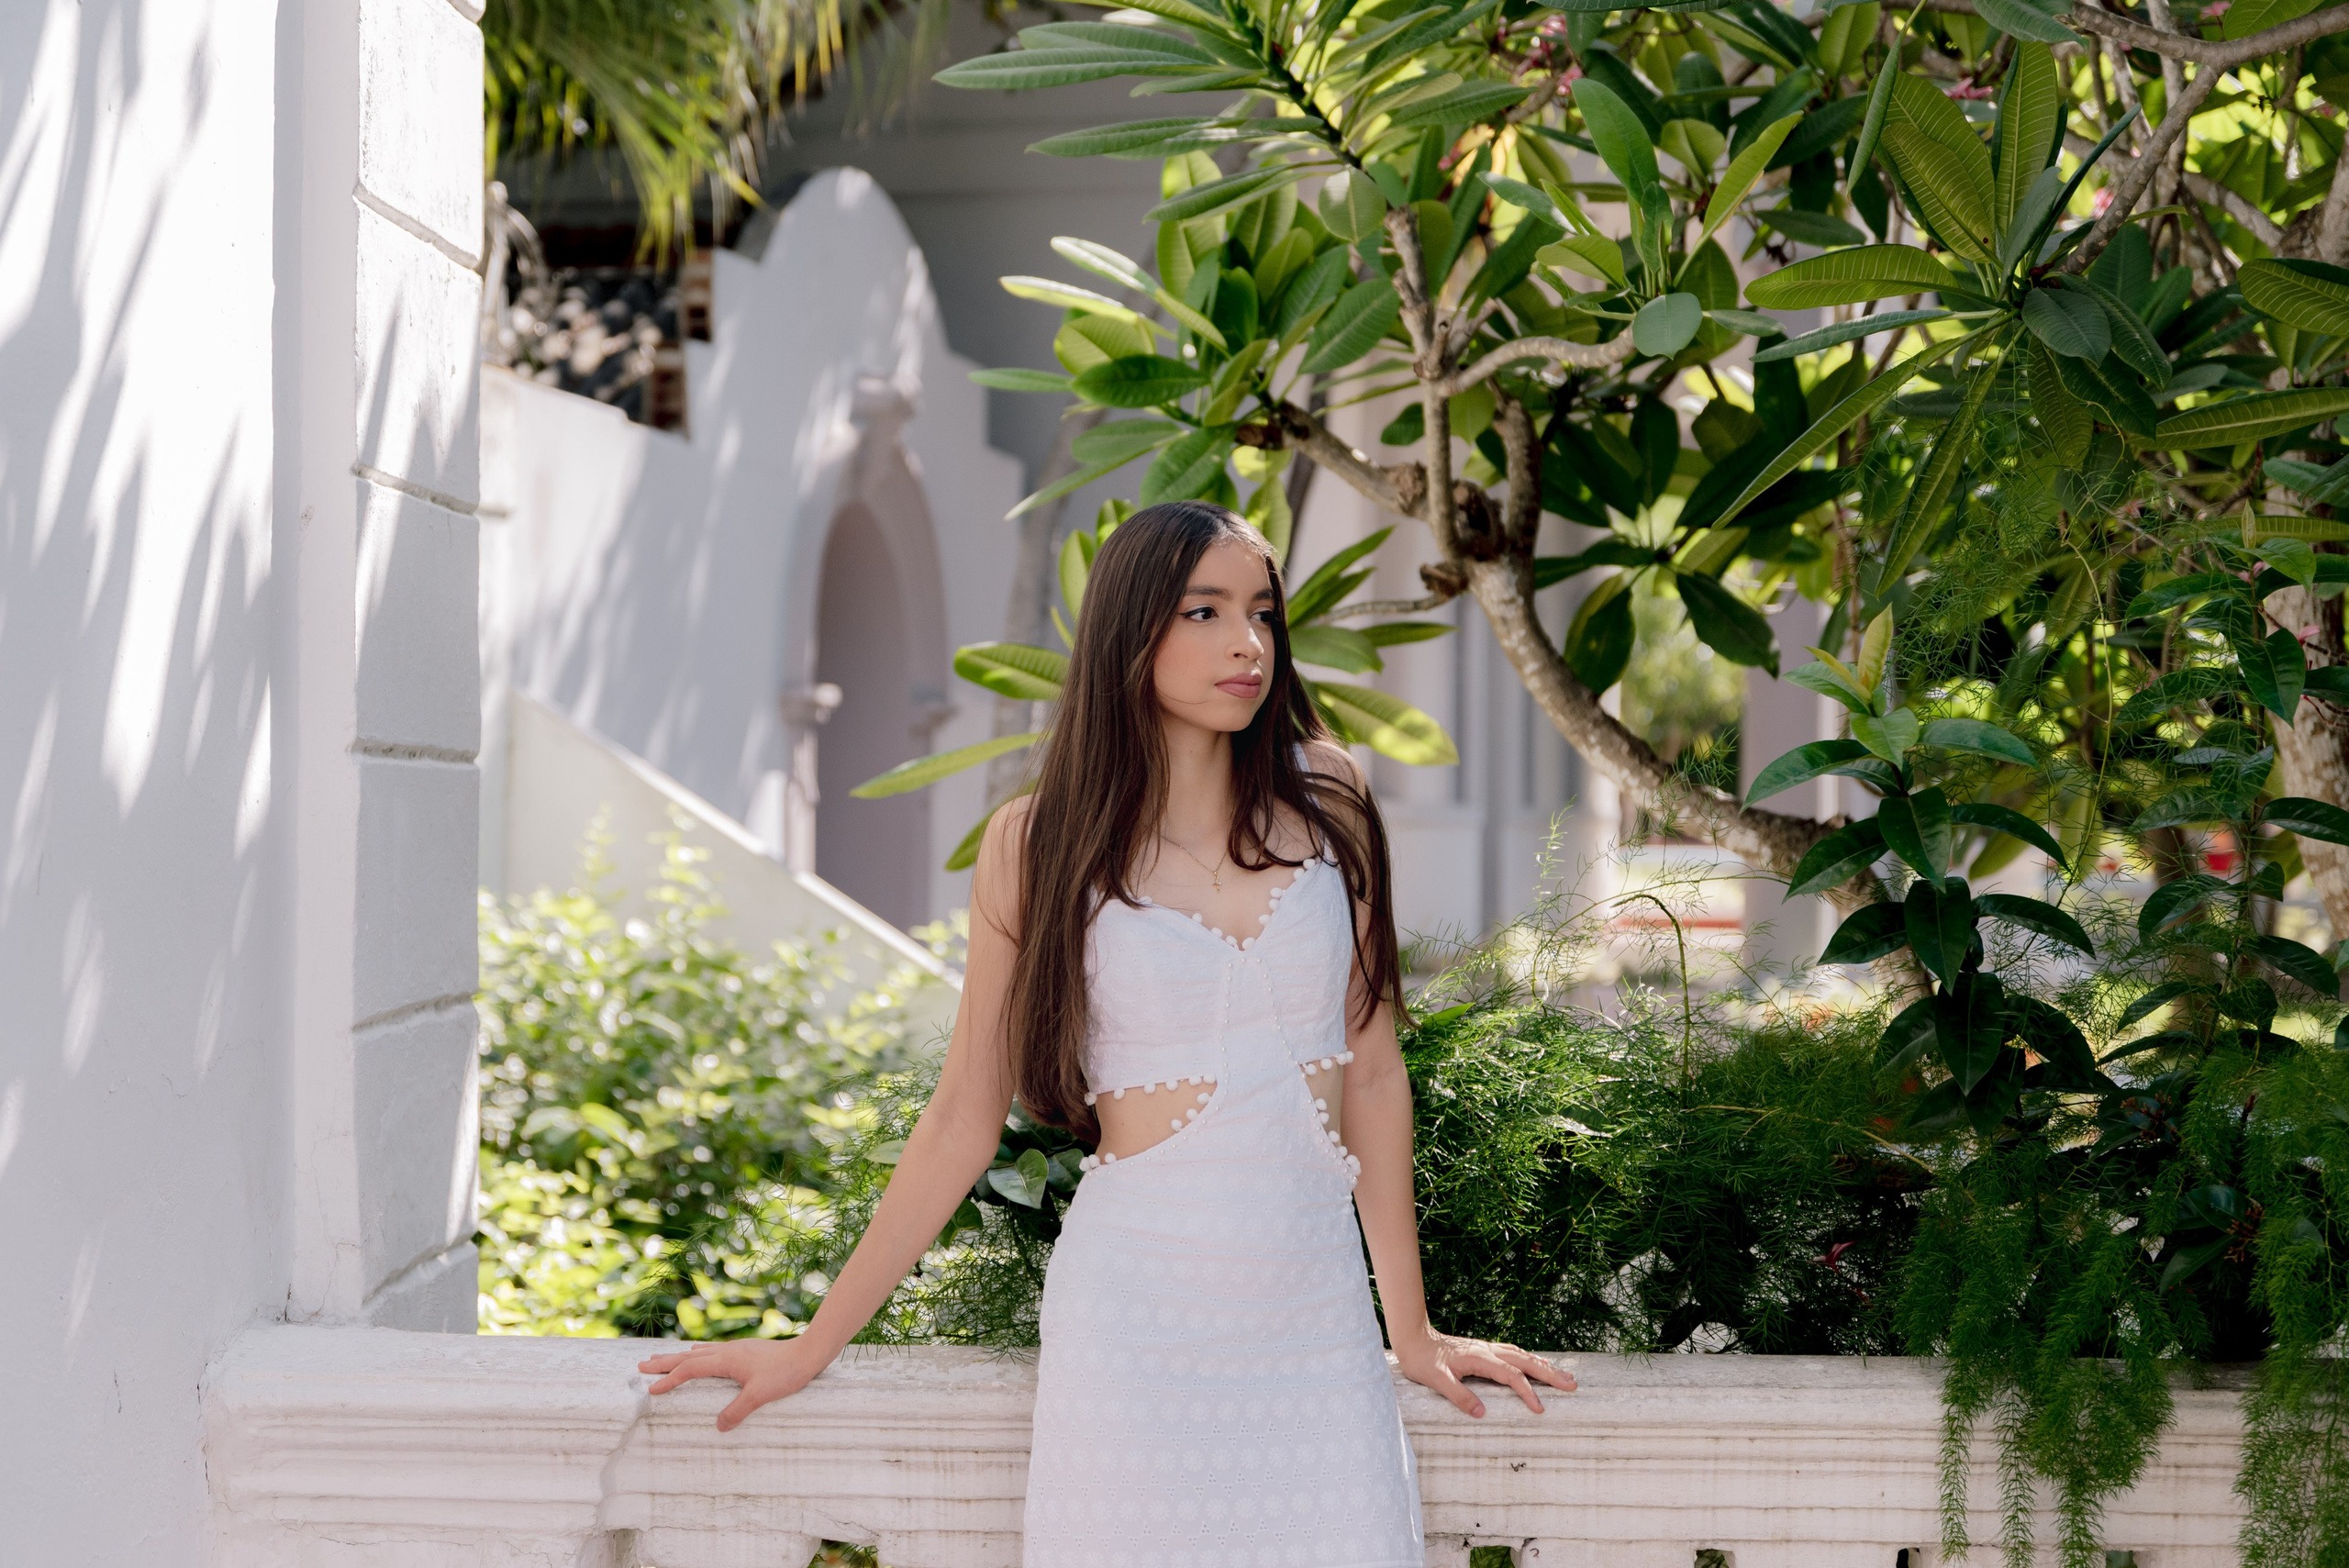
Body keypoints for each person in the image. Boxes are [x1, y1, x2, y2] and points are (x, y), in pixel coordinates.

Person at [638, 499, 1575, 1565]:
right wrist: (811, 1345)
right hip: (1134, 1322)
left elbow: (1369, 1067)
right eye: (1204, 610)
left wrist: (1408, 1330)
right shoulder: (1035, 842)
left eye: (1262, 612)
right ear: (1132, 630)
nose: (1247, 642)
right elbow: (960, 1115)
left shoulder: (1332, 796)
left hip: (1314, 1318)